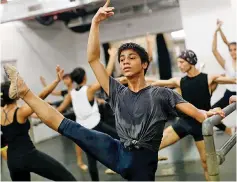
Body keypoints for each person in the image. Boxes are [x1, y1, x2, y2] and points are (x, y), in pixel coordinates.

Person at [3, 1, 225, 180]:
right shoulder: (117, 91)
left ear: (145, 64)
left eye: (131, 58)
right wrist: (95, 23)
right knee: (69, 127)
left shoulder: (162, 94)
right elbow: (92, 58)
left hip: (141, 164)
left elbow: (195, 112)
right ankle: (24, 91)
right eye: (122, 59)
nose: (125, 62)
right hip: (117, 150)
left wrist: (209, 113)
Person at [150, 50, 235, 180]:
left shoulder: (209, 79)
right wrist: (127, 80)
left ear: (190, 62)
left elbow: (233, 80)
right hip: (184, 122)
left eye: (181, 62)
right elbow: (155, 83)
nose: (179, 65)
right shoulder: (179, 81)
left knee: (207, 164)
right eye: (178, 62)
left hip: (202, 127)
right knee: (153, 145)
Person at [1, 66, 76, 181]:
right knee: (67, 178)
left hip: (12, 160)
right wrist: (56, 81)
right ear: (14, 94)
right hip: (28, 155)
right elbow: (40, 96)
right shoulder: (20, 112)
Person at [55, 47, 118, 180]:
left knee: (91, 158)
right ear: (84, 77)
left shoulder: (71, 94)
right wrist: (112, 56)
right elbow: (106, 76)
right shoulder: (89, 90)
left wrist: (34, 114)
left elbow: (59, 110)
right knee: (119, 137)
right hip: (96, 126)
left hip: (83, 130)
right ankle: (128, 162)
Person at [40, 73, 88, 171]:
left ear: (71, 79)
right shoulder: (65, 92)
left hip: (80, 115)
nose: (65, 80)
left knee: (86, 139)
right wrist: (45, 84)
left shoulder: (77, 89)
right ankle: (80, 161)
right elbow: (52, 92)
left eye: (67, 78)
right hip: (70, 117)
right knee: (78, 141)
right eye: (64, 79)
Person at [212, 19, 236, 109]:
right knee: (211, 112)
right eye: (230, 50)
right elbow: (214, 50)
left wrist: (220, 30)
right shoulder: (226, 63)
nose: (233, 52)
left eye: (235, 49)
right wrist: (216, 30)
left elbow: (227, 42)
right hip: (229, 93)